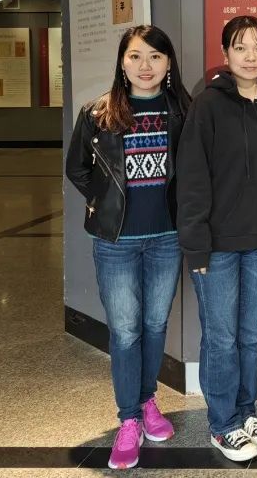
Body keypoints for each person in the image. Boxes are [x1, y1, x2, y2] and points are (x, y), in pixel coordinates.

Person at [65, 25, 191, 470]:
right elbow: (77, 168)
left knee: (155, 325)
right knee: (125, 331)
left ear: (168, 63)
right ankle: (128, 419)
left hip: (166, 238)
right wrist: (104, 202)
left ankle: (147, 400)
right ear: (122, 61)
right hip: (116, 241)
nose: (145, 66)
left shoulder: (182, 111)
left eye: (155, 56)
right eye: (135, 56)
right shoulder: (98, 113)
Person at [177, 16, 257, 462]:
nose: (250, 56)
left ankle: (246, 411)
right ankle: (222, 424)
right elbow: (192, 178)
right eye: (240, 47)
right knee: (221, 338)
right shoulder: (207, 105)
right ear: (225, 55)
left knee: (249, 334)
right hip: (217, 244)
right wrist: (196, 244)